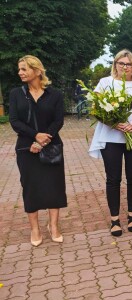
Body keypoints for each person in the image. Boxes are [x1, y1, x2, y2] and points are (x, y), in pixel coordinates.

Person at [89, 49, 132, 237]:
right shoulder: (105, 83)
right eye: (121, 63)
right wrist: (114, 123)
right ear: (115, 64)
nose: (124, 67)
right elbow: (96, 109)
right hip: (110, 138)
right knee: (113, 179)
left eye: (128, 64)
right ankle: (115, 219)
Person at [9, 55, 67, 246]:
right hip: (26, 148)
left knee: (54, 186)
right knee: (31, 188)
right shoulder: (16, 94)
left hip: (51, 146)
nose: (20, 72)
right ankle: (35, 229)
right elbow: (15, 121)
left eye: (24, 69)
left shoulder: (55, 95)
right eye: (19, 69)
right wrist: (35, 136)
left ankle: (54, 226)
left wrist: (43, 140)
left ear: (37, 71)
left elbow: (58, 120)